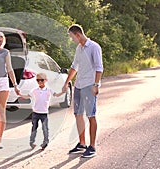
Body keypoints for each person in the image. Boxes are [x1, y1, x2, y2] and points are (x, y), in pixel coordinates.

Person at [62, 24, 103, 158]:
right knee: (78, 114)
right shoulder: (79, 48)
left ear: (78, 35)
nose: (72, 39)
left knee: (91, 115)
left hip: (89, 85)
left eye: (72, 37)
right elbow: (74, 66)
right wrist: (67, 82)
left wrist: (96, 85)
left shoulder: (94, 47)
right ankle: (82, 143)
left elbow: (99, 68)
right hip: (79, 86)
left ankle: (92, 147)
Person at [20, 73, 65, 150]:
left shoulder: (48, 90)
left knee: (45, 128)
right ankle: (32, 142)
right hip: (35, 113)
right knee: (34, 127)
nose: (40, 82)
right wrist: (20, 94)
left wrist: (63, 92)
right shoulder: (34, 90)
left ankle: (45, 142)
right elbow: (27, 96)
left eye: (41, 80)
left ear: (46, 80)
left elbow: (56, 95)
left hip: (44, 113)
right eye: (38, 80)